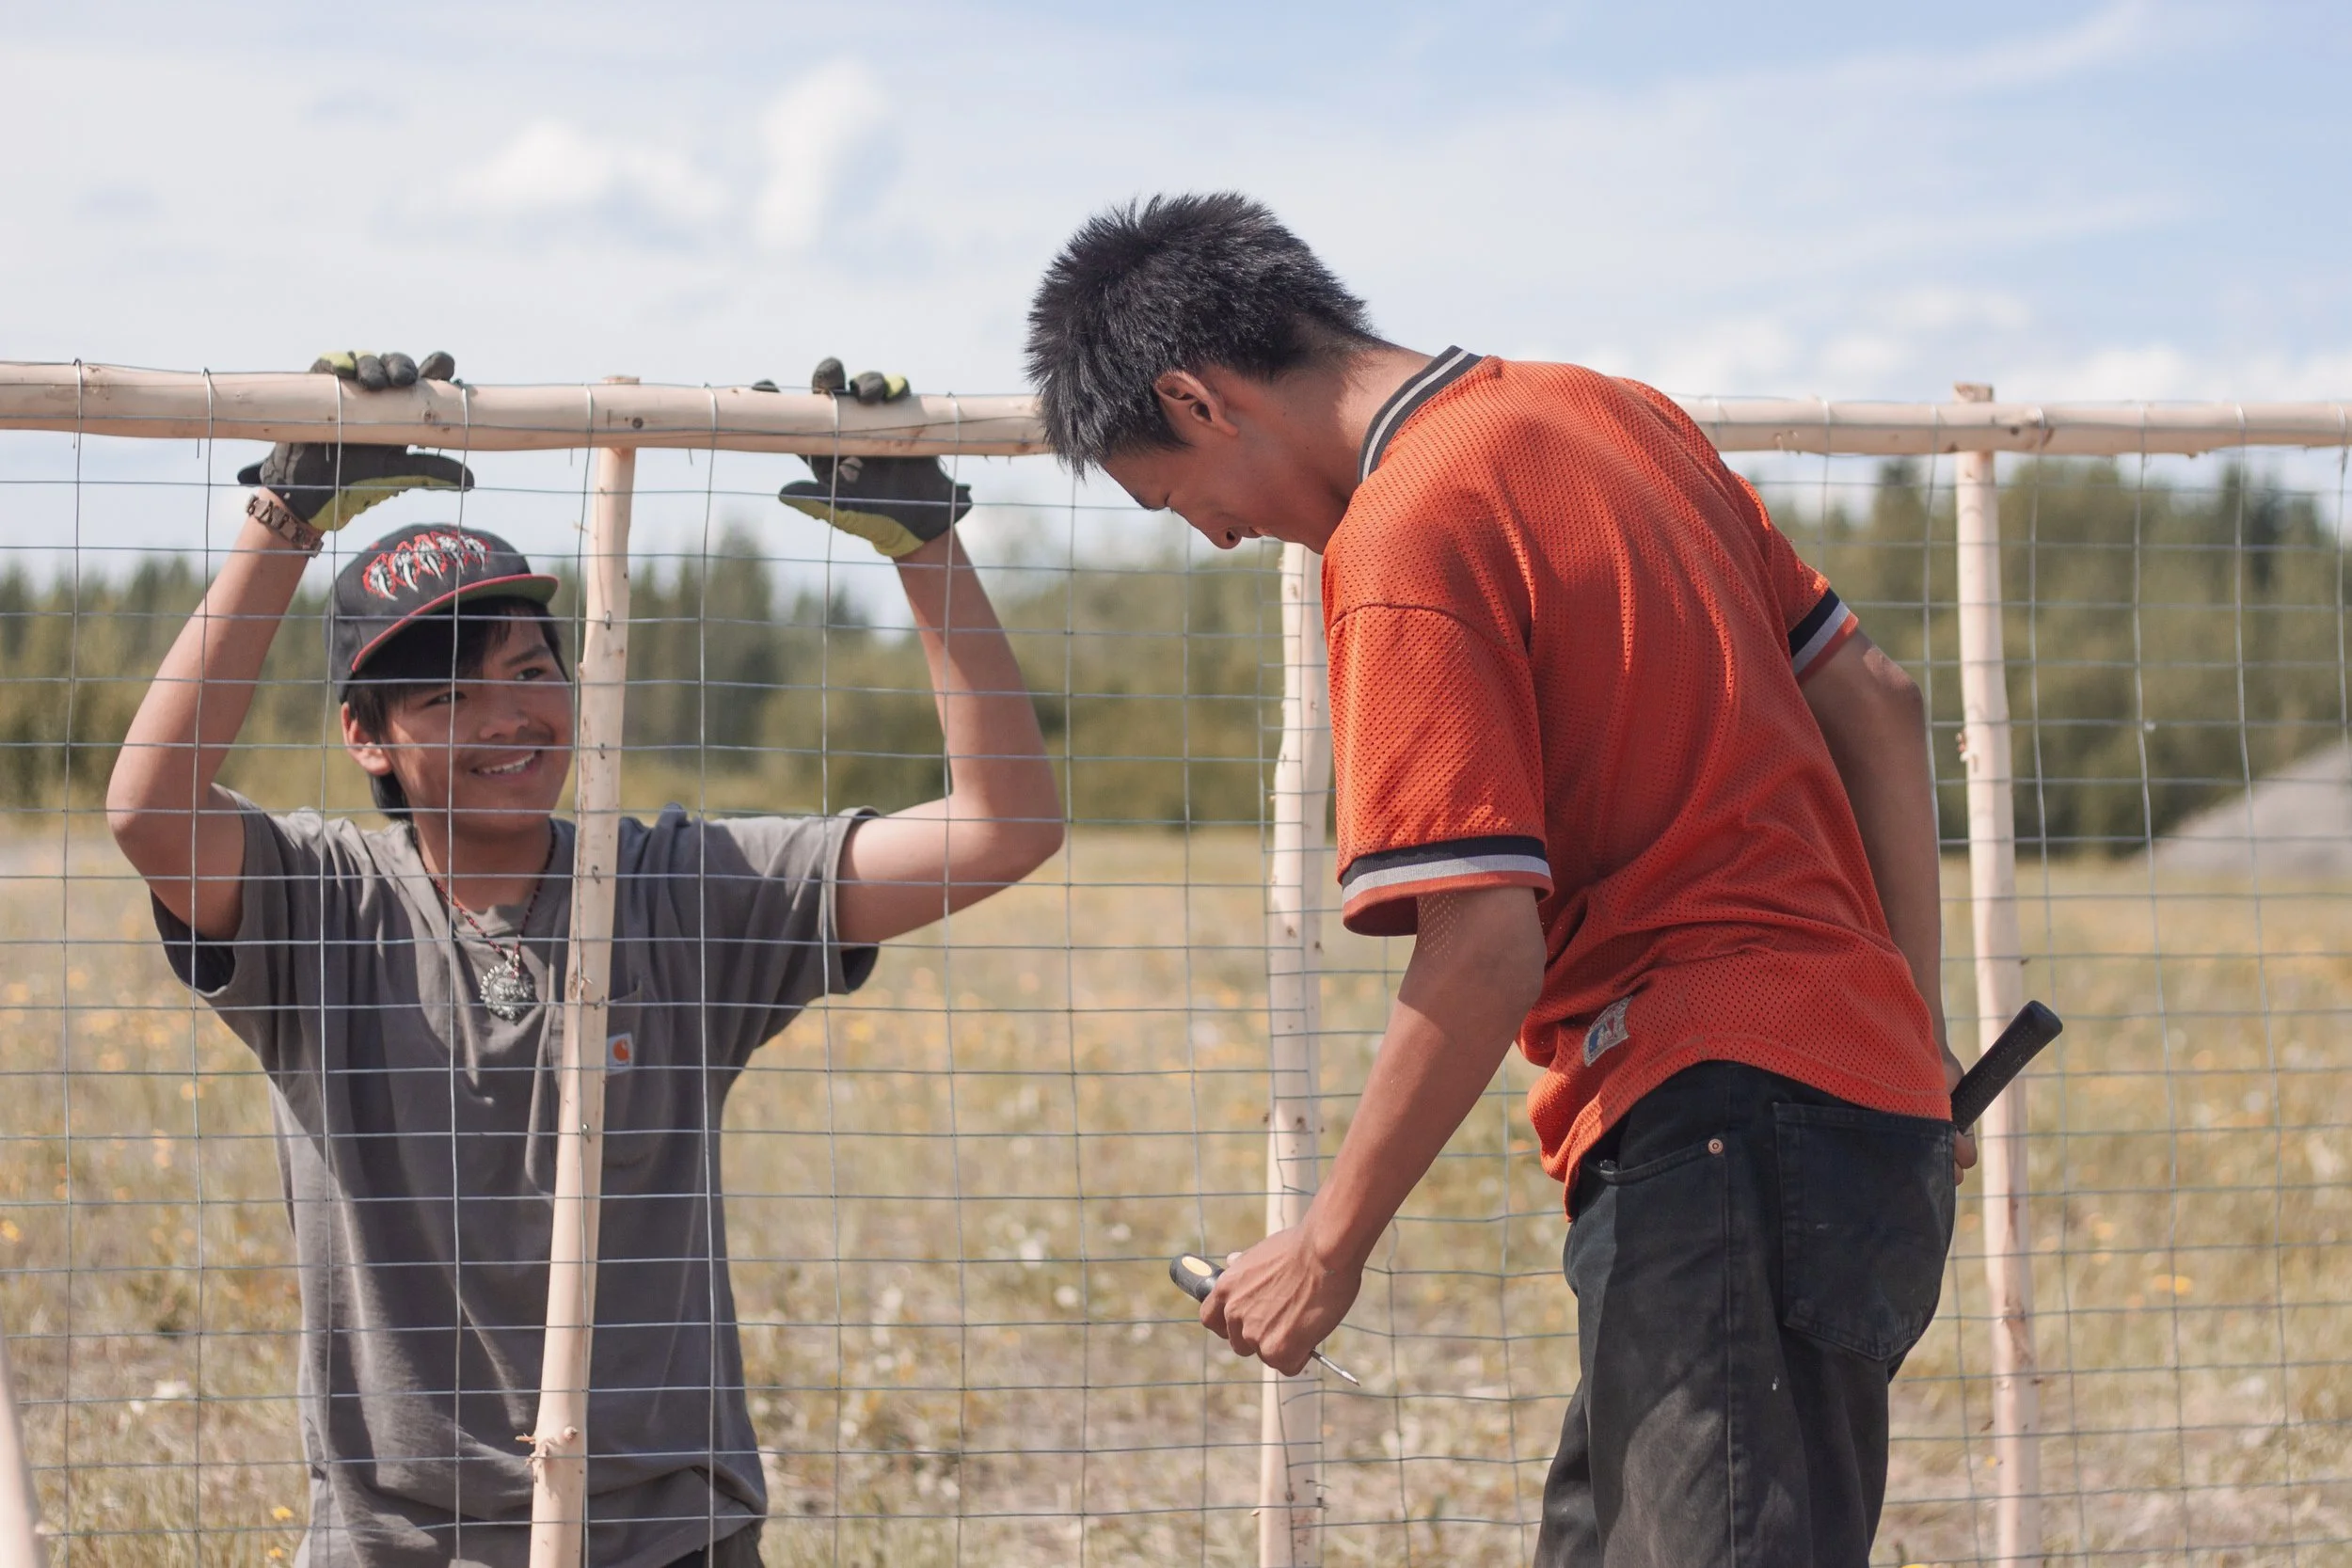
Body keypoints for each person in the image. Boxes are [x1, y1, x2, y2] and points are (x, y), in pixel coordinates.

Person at [1025, 197, 1968, 1567]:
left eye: (1177, 499)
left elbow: (1482, 952)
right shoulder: (1620, 414)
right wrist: (1913, 1035)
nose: (1218, 536)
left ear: (1197, 398)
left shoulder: (1403, 536)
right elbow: (1876, 704)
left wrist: (1325, 1246)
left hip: (1712, 1123)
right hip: (1853, 1117)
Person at [104, 351, 1063, 1568]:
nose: (510, 716)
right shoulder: (325, 908)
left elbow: (1004, 828)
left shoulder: (674, 890)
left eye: (529, 671)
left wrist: (923, 543)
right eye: (446, 697)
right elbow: (149, 811)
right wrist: (285, 515)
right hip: (402, 1543)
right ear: (366, 738)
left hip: (667, 1536)